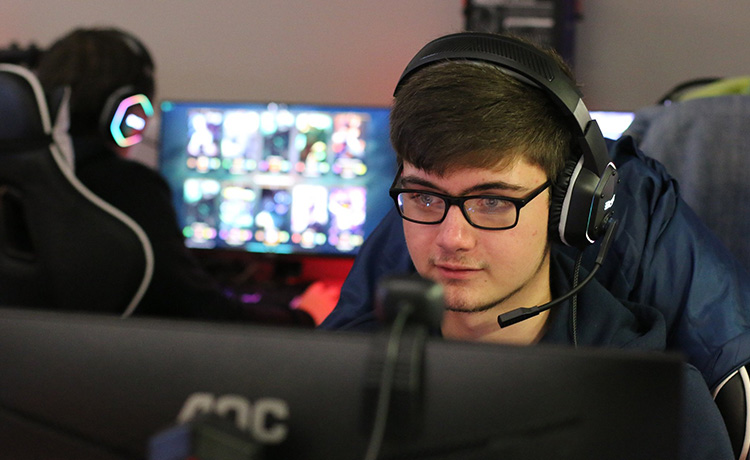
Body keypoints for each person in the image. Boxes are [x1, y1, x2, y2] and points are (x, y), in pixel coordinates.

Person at [320, 32, 738, 458]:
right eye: (426, 198)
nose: (452, 239)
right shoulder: (335, 380)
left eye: (493, 202)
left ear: (568, 208)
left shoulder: (659, 410)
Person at [34, 27, 311, 325]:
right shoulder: (129, 187)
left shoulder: (22, 178)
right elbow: (205, 314)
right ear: (127, 112)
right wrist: (305, 317)